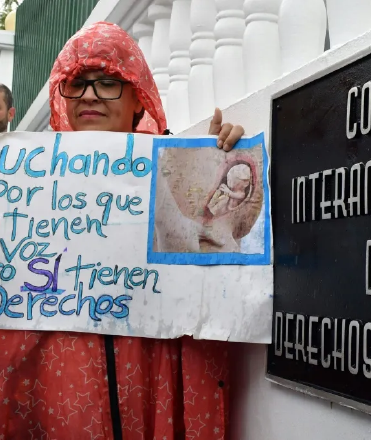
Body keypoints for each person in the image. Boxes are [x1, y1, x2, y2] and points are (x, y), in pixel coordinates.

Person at [0, 22, 245, 440]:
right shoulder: (26, 183)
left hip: (148, 379)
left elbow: (212, 264)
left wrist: (215, 165)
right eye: (77, 83)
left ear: (138, 98)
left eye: (108, 82)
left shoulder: (175, 175)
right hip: (57, 395)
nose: (89, 95)